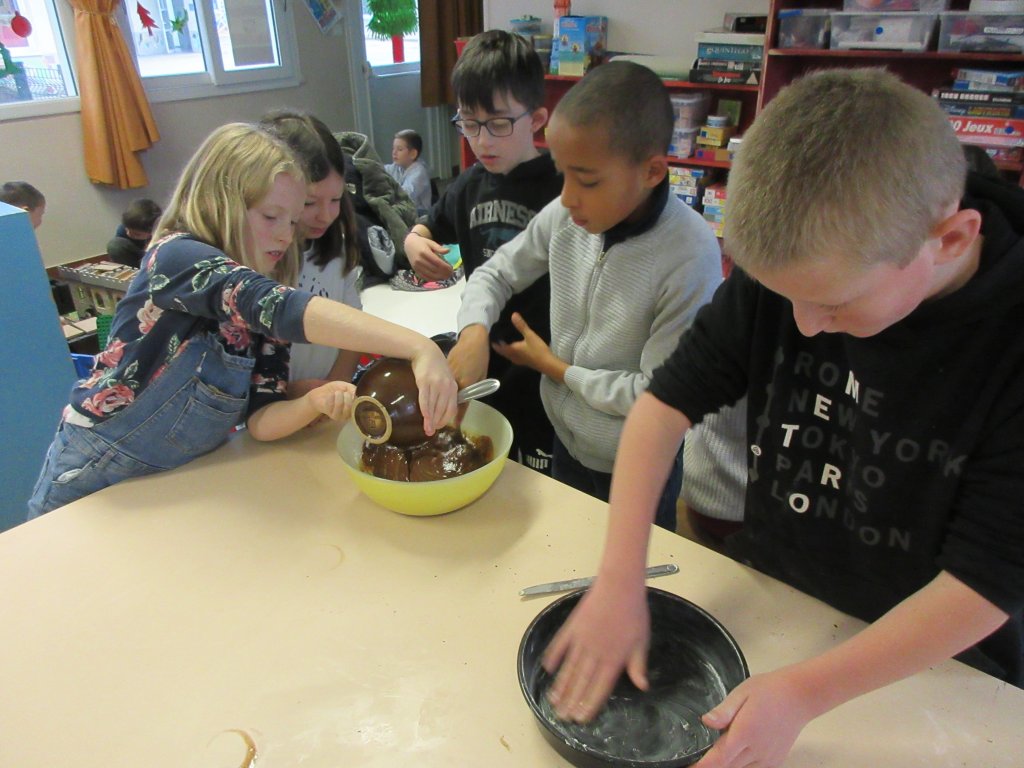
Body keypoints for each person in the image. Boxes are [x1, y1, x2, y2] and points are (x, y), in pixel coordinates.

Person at [542, 68, 1024, 767]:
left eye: (832, 304)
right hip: (785, 600)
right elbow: (662, 406)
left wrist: (804, 693)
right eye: (783, 296)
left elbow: (987, 582)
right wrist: (620, 577)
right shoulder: (802, 260)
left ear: (950, 241)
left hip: (942, 664)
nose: (803, 326)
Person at [27, 123, 458, 519]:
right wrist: (418, 347)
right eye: (271, 217)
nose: (286, 235)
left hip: (177, 484)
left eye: (292, 221)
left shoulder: (264, 294)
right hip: (96, 474)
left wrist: (312, 402)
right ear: (220, 201)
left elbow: (261, 419)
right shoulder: (178, 257)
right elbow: (280, 307)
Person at [453, 61, 722, 531]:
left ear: (652, 171)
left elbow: (660, 393)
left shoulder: (689, 253)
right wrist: (473, 331)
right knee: (570, 547)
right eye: (563, 175)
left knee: (632, 566)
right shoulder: (566, 216)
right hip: (566, 439)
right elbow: (496, 273)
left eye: (588, 180)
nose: (567, 198)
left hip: (638, 462)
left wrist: (557, 369)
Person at [404, 29, 564, 476]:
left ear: (536, 119)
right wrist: (413, 239)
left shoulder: (563, 186)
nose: (483, 141)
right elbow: (427, 224)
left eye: (498, 124)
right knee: (488, 458)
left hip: (545, 363)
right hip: (482, 355)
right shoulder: (468, 184)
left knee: (539, 472)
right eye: (469, 123)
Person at [260, 110, 366, 395]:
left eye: (335, 200)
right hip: (273, 406)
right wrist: (292, 396)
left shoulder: (336, 247)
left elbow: (353, 330)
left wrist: (333, 389)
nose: (325, 216)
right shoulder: (258, 260)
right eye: (309, 203)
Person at [384, 129, 432, 214]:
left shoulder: (419, 173)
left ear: (413, 154)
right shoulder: (397, 166)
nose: (394, 153)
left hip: (419, 213)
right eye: (393, 148)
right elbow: (381, 170)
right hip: (404, 209)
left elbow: (404, 195)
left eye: (399, 149)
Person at [106, 198, 162, 268]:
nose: (128, 233)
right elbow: (118, 252)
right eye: (126, 229)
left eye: (137, 234)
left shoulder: (162, 233)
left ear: (153, 230)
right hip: (136, 260)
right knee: (114, 245)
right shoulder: (123, 230)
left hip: (155, 261)